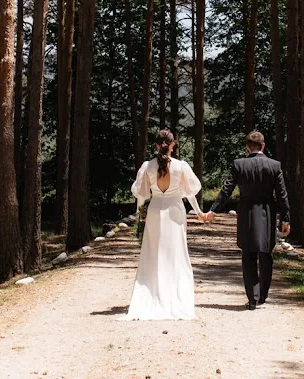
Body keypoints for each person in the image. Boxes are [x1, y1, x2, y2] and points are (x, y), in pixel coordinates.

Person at [124, 129, 206, 320]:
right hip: (175, 210)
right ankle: (174, 296)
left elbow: (141, 194)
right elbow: (190, 193)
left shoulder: (147, 166)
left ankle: (153, 294)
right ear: (173, 145)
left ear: (156, 145)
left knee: (153, 253)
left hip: (154, 210)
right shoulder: (181, 166)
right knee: (176, 252)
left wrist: (139, 214)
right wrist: (198, 212)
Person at [205, 131, 290, 310]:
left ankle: (252, 298)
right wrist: (285, 219)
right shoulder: (274, 165)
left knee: (248, 255)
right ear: (263, 146)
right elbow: (282, 194)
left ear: (247, 147)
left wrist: (213, 209)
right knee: (266, 254)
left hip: (246, 214)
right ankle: (263, 295)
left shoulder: (239, 164)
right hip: (267, 212)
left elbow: (227, 189)